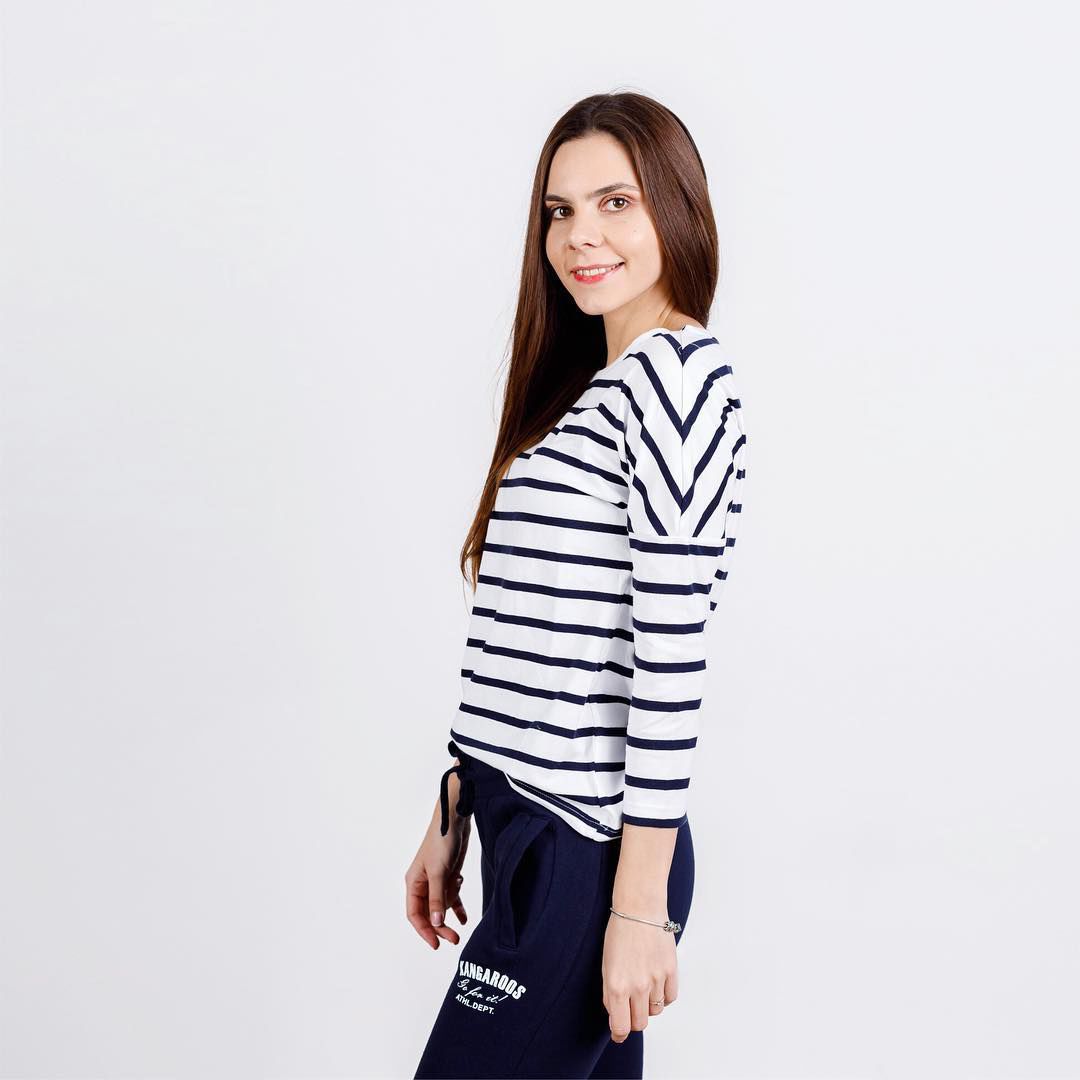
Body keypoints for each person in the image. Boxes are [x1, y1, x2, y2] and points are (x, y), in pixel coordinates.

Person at [405, 90, 750, 1079]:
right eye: (559, 210)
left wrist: (638, 910)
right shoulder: (592, 395)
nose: (579, 235)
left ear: (677, 209)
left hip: (588, 853)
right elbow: (531, 640)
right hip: (527, 827)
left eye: (616, 203)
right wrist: (454, 808)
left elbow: (670, 657)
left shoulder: (677, 380)